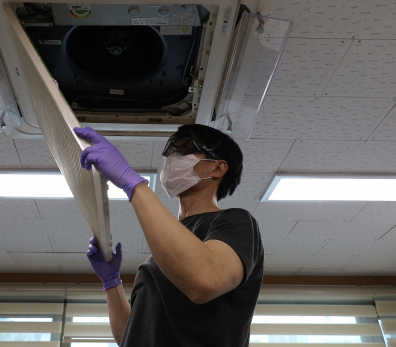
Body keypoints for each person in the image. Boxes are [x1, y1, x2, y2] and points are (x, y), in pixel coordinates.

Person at [74, 124, 264, 347]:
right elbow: (132, 336)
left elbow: (206, 281)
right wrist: (111, 283)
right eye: (171, 152)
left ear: (218, 168)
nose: (173, 158)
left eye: (185, 151)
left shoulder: (235, 222)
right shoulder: (159, 260)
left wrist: (133, 184)